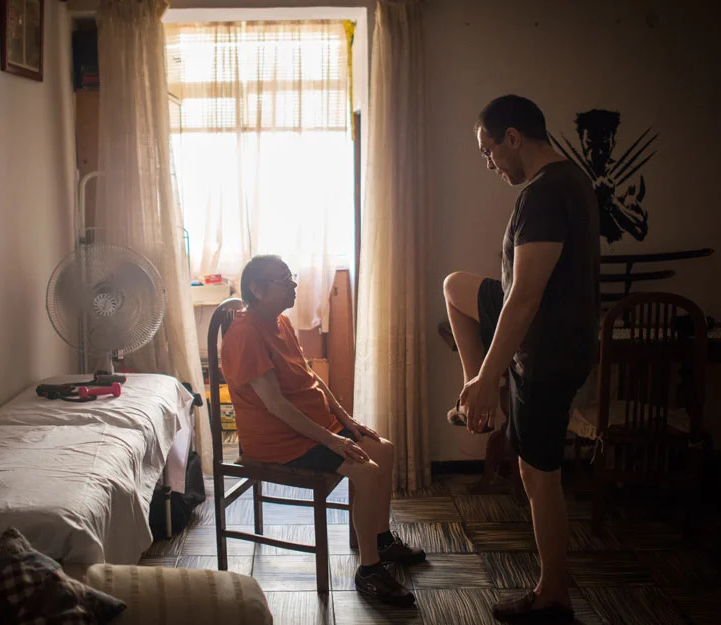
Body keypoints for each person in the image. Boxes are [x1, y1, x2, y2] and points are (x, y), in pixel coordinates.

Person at [443, 95, 599, 623]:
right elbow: (521, 290)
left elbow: (526, 296)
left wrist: (492, 376)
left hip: (546, 351)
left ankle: (552, 594)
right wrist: (480, 377)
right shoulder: (567, 182)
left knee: (540, 478)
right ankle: (477, 396)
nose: (490, 163)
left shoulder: (546, 193)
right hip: (550, 337)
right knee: (455, 287)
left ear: (513, 138)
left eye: (490, 151)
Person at [220, 255, 425, 607]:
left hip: (310, 428)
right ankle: (370, 570)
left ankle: (380, 539)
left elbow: (311, 377)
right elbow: (276, 406)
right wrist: (332, 439)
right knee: (366, 470)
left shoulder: (280, 321)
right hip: (279, 440)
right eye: (284, 279)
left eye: (291, 277)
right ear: (256, 288)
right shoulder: (245, 334)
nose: (293, 284)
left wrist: (346, 421)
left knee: (384, 449)